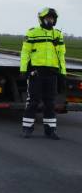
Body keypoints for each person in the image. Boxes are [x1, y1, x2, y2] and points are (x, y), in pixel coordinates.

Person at [20, 7, 66, 140]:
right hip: (37, 72)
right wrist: (23, 70)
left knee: (50, 103)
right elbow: (25, 53)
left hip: (52, 73)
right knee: (33, 102)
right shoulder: (32, 32)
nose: (50, 20)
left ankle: (50, 130)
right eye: (48, 18)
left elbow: (61, 55)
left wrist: (62, 73)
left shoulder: (58, 34)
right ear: (42, 19)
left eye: (52, 18)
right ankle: (27, 129)